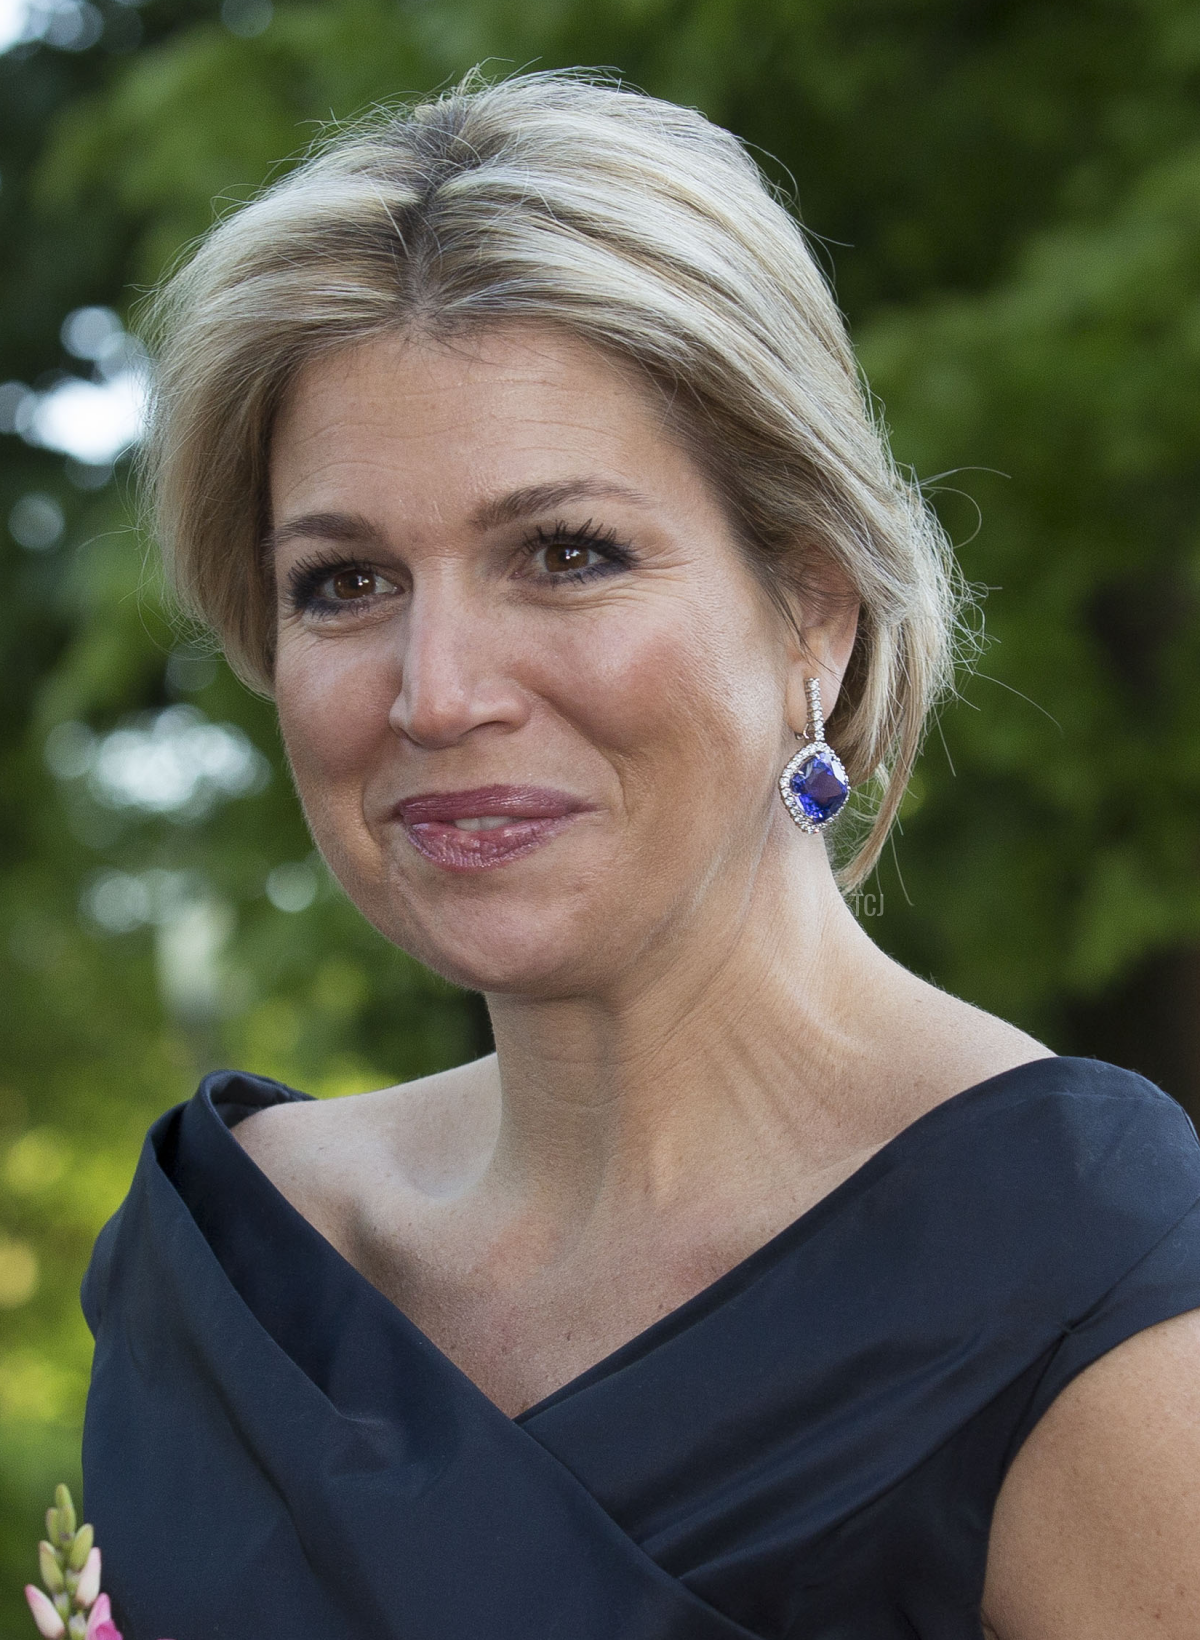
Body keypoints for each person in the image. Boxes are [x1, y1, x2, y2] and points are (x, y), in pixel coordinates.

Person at [81, 71, 1200, 1640]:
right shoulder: (230, 1267)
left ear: (810, 603)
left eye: (565, 553)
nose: (438, 690)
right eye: (344, 582)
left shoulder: (1091, 1279)